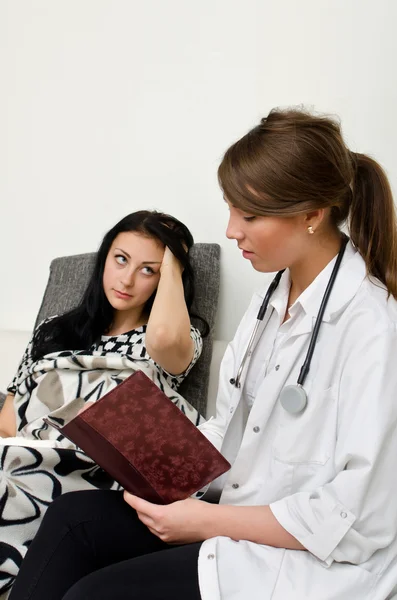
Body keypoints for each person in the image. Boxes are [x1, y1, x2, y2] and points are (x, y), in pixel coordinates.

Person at [8, 107, 397, 600]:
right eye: (231, 208)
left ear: (312, 215)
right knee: (72, 519)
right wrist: (150, 457)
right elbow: (232, 425)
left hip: (306, 562)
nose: (232, 230)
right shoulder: (270, 300)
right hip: (231, 517)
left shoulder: (372, 327)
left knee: (92, 593)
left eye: (249, 215)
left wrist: (205, 521)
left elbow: (358, 518)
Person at [0, 210, 207, 595]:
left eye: (149, 269)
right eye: (121, 259)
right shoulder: (55, 329)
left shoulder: (177, 336)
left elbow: (163, 337)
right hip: (30, 452)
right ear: (104, 258)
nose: (127, 279)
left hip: (95, 470)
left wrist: (175, 259)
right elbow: (10, 419)